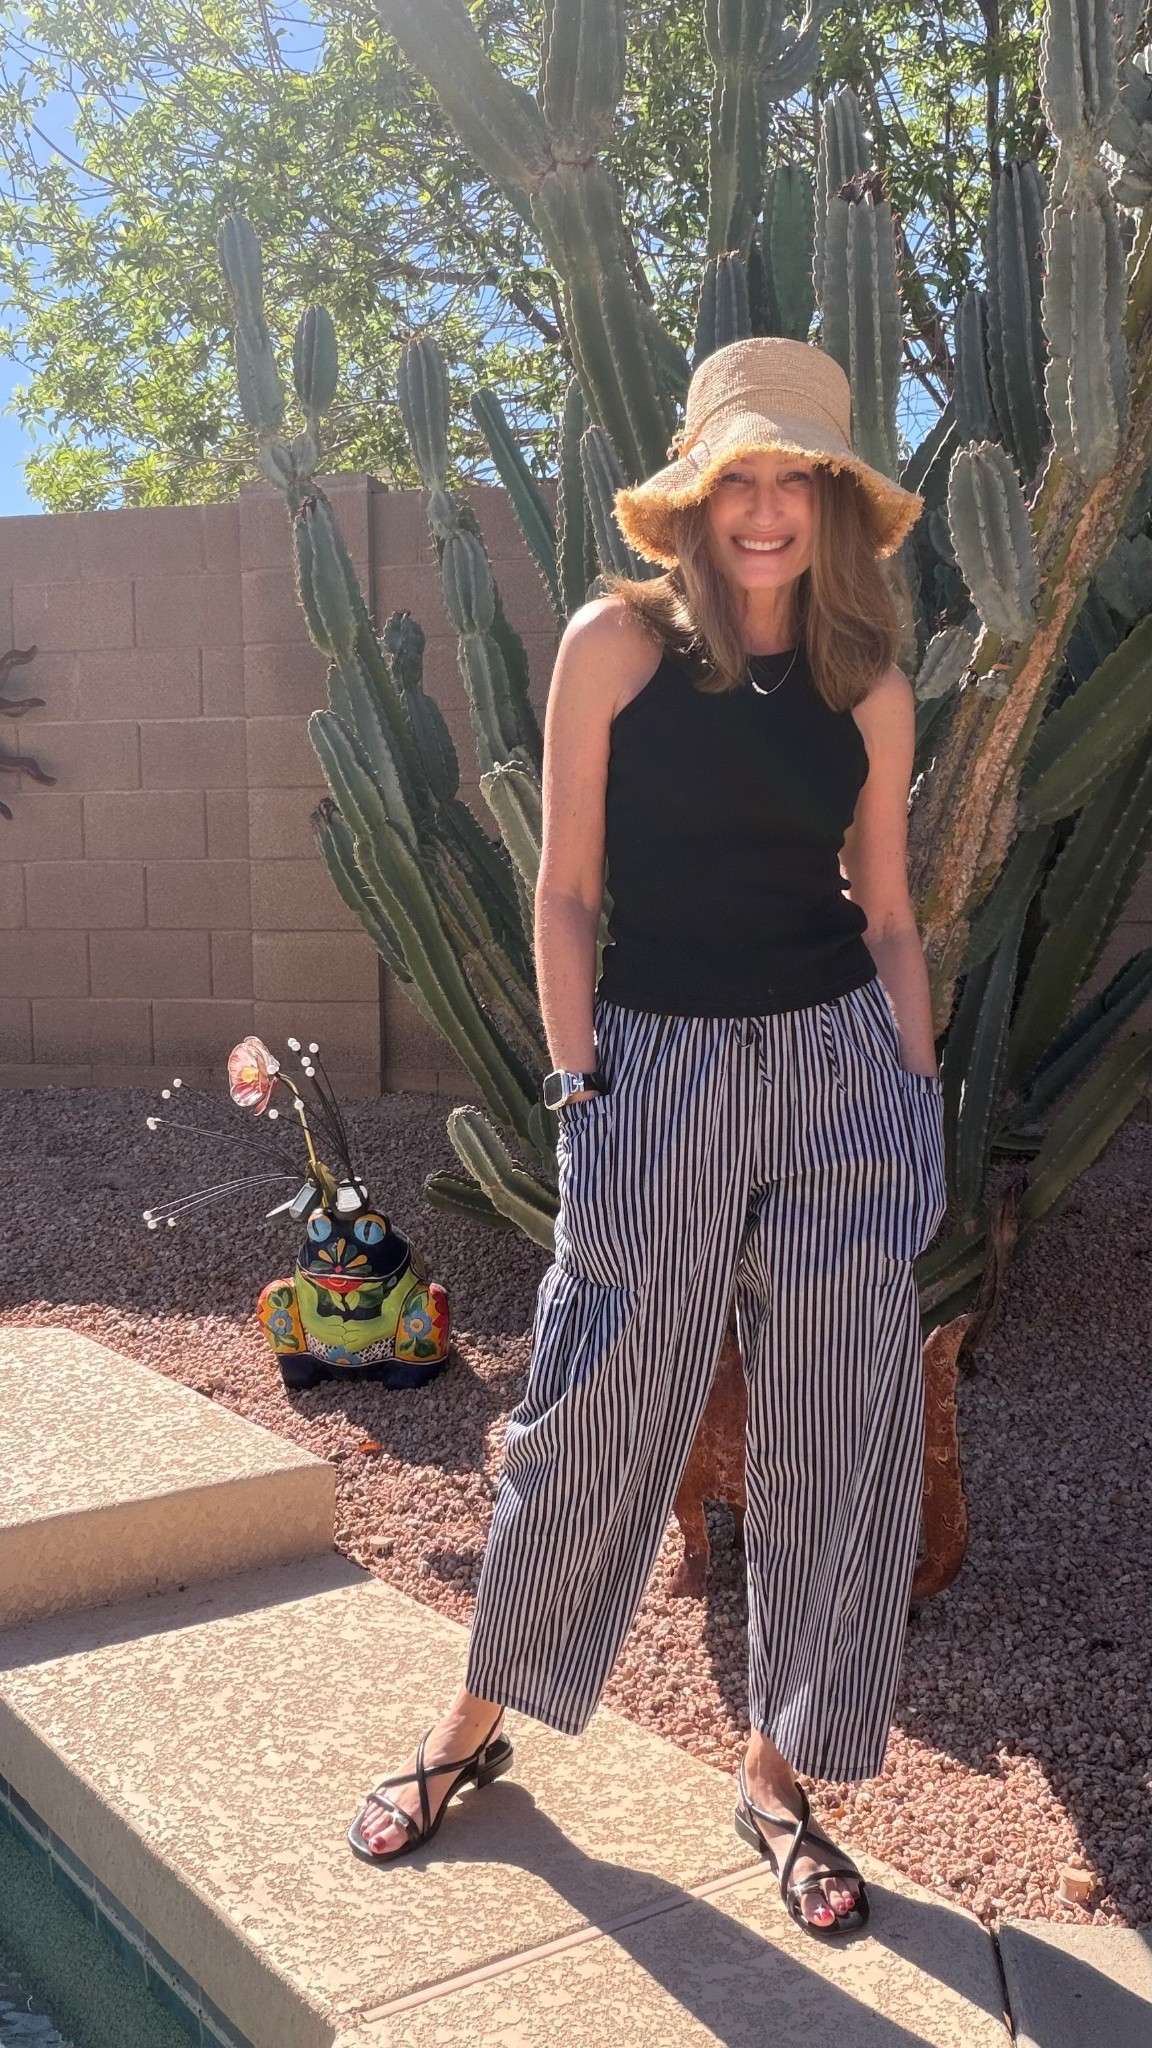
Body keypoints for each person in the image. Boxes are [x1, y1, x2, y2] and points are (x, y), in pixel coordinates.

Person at [347, 336, 945, 1940]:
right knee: (592, 1403)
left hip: (843, 1073)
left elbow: (890, 915)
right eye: (739, 477)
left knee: (843, 1423)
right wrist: (576, 1081)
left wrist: (917, 1092)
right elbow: (565, 888)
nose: (766, 510)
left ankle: (779, 1774)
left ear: (834, 504)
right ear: (694, 496)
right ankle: (473, 1722)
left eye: (796, 479)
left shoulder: (871, 690)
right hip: (657, 1069)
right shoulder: (615, 646)